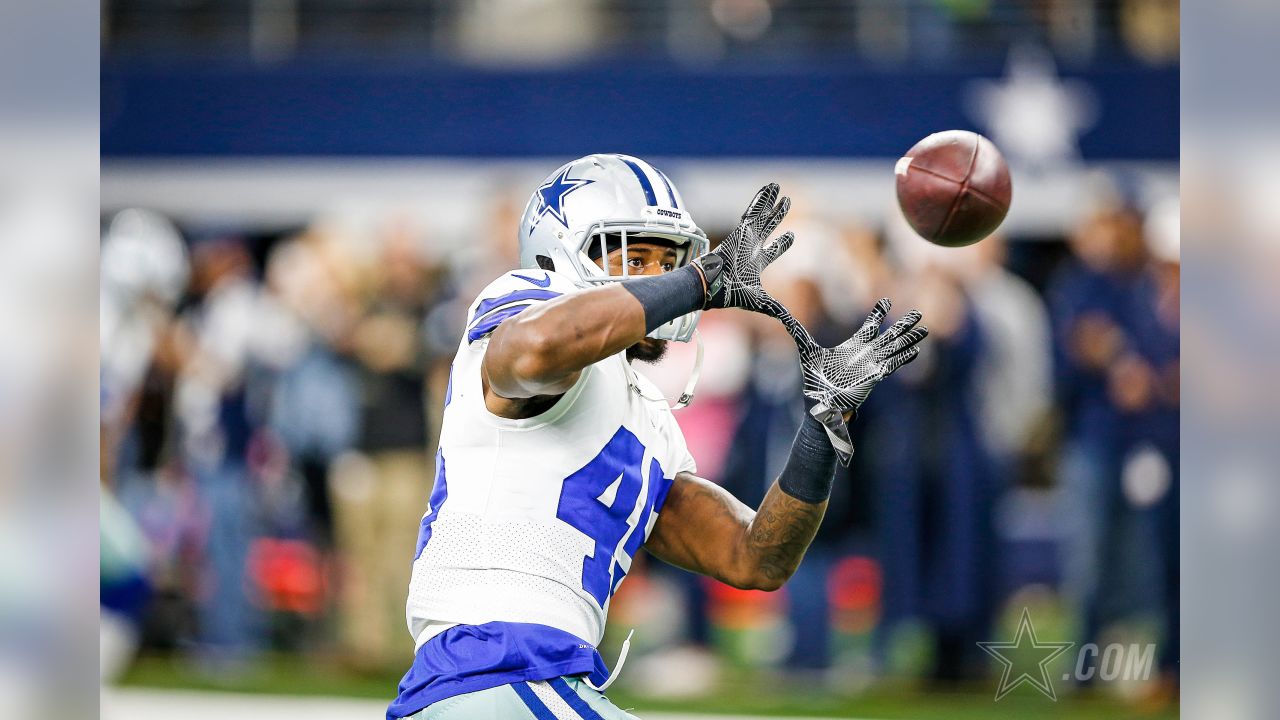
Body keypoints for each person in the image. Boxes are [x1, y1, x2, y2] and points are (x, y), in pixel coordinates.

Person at [387, 154, 928, 719]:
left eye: (668, 262)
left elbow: (756, 558)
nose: (658, 278)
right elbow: (537, 351)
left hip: (527, 681)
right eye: (636, 257)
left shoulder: (647, 416)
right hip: (497, 667)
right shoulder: (524, 304)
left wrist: (821, 432)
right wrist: (698, 281)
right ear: (560, 254)